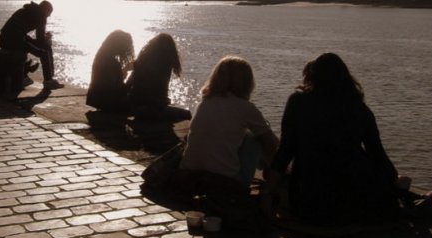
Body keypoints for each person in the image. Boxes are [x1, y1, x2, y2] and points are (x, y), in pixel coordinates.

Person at [268, 52, 401, 227]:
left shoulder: (298, 102)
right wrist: (392, 181)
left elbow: (285, 151)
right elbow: (379, 157)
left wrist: (269, 189)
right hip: (354, 198)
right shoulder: (360, 110)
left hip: (308, 200)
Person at [180, 56, 279, 190]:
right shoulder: (245, 108)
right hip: (224, 181)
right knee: (255, 139)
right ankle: (273, 177)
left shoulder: (204, 102)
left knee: (239, 135)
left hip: (189, 173)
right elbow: (272, 143)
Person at [0, 0, 63, 90]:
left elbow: (14, 30)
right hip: (15, 40)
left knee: (28, 43)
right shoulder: (41, 16)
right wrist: (47, 38)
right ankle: (48, 80)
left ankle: (25, 73)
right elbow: (40, 40)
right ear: (45, 10)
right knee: (45, 51)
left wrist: (39, 40)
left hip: (3, 39)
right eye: (49, 13)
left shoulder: (23, 10)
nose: (49, 15)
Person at [126, 33, 191, 121]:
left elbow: (130, 84)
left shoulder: (141, 60)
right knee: (188, 114)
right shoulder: (165, 65)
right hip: (151, 111)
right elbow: (159, 96)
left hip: (135, 108)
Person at [86, 30, 134, 112]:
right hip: (109, 104)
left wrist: (123, 71)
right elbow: (117, 91)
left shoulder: (101, 57)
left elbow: (109, 83)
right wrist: (132, 78)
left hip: (95, 99)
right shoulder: (112, 63)